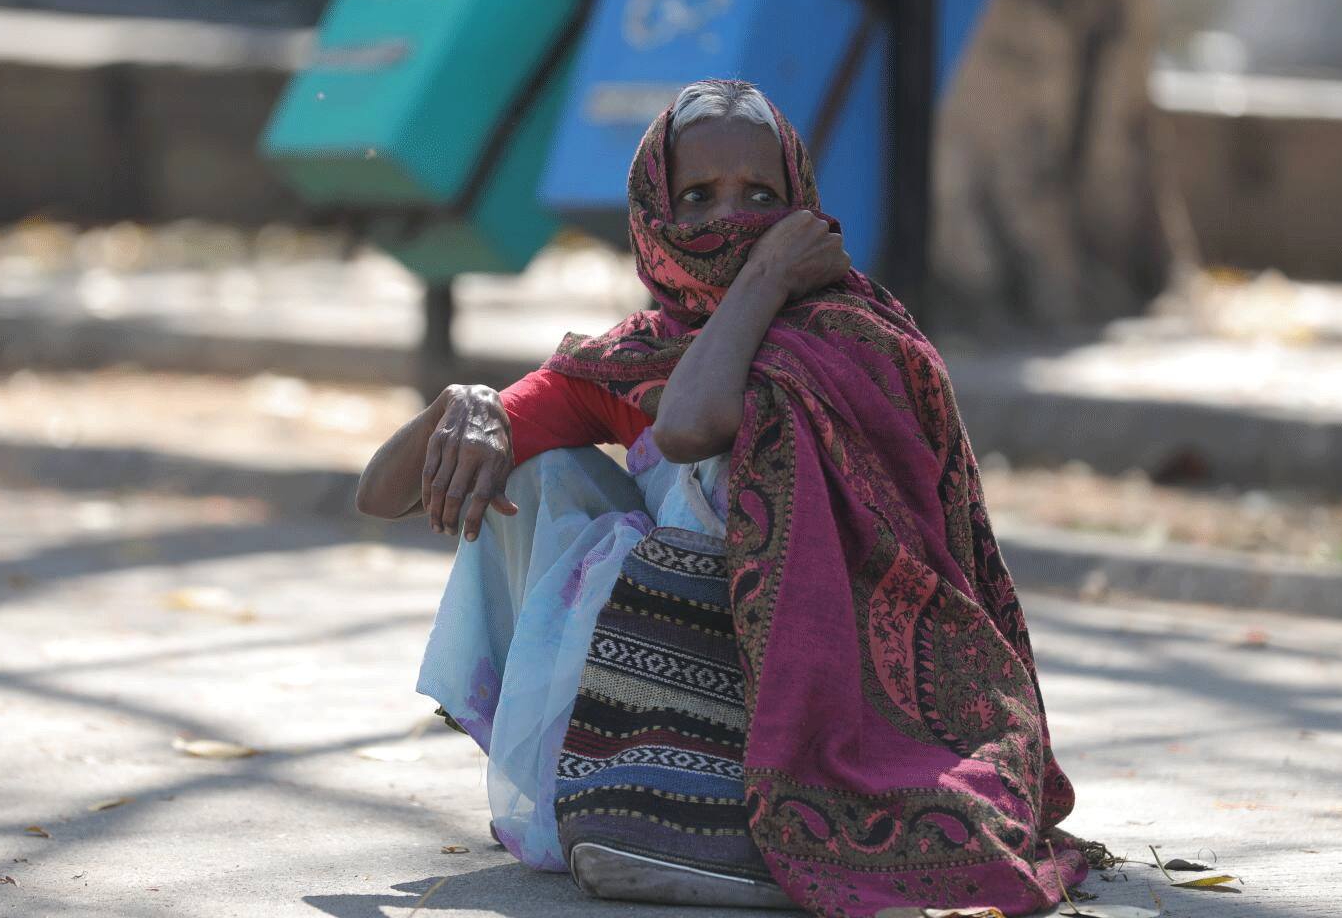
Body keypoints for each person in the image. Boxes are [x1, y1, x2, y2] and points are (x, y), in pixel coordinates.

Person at [356, 79, 1091, 916]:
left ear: (801, 206)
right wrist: (467, 404)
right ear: (654, 208)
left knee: (712, 466)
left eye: (760, 197)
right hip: (661, 680)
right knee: (533, 472)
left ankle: (745, 826)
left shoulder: (855, 338)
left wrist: (766, 283)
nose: (728, 220)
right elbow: (382, 494)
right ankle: (628, 793)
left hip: (832, 698)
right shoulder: (637, 354)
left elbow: (692, 426)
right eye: (698, 196)